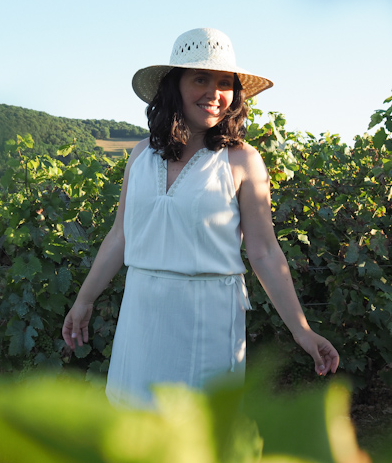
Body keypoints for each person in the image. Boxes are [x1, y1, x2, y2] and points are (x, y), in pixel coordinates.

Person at [62, 28, 339, 407]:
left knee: (198, 433)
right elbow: (120, 236)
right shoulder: (140, 155)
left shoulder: (242, 160)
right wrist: (85, 299)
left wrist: (302, 330)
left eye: (225, 83)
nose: (214, 93)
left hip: (207, 318)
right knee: (134, 429)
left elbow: (264, 253)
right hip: (142, 311)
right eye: (200, 79)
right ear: (174, 87)